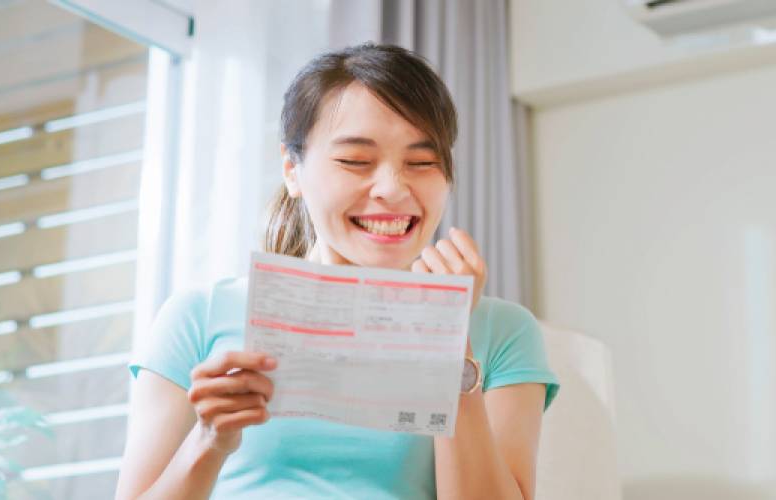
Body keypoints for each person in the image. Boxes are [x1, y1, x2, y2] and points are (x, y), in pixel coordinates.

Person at [114, 42, 559, 500]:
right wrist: (209, 440)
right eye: (356, 161)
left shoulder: (501, 330)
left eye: (422, 162)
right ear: (292, 168)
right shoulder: (200, 316)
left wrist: (447, 344)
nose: (392, 188)